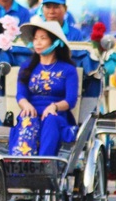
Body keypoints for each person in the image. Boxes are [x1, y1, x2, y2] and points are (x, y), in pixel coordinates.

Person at [9, 20, 79, 157]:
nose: (37, 43)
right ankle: (20, 168)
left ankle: (44, 164)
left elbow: (71, 100)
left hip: (56, 115)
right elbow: (20, 95)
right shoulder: (26, 67)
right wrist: (26, 105)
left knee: (50, 120)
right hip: (32, 112)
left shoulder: (69, 69)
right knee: (27, 120)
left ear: (55, 42)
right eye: (35, 39)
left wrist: (54, 106)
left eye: (43, 38)